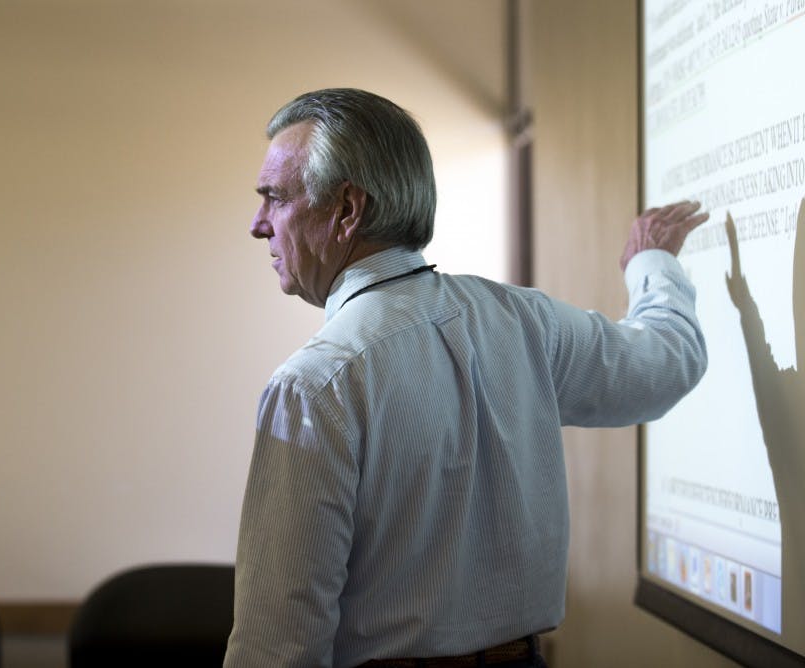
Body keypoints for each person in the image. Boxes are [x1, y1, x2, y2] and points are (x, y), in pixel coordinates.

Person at [224, 88, 708, 668]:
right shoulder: (526, 322)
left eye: (275, 198)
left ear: (347, 210)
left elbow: (277, 649)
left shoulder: (313, 387)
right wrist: (652, 262)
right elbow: (665, 364)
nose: (258, 225)